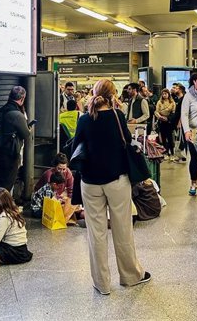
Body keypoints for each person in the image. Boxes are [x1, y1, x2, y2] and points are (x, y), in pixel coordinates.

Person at [71, 79, 150, 295]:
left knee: (96, 233)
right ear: (112, 94)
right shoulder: (118, 116)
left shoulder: (84, 119)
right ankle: (131, 277)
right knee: (122, 229)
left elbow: (75, 145)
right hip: (116, 180)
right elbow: (125, 141)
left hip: (90, 182)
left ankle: (102, 284)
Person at [0, 86, 31, 191]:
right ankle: (2, 205)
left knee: (0, 181)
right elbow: (26, 134)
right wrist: (29, 129)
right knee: (7, 184)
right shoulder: (17, 114)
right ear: (22, 98)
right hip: (10, 154)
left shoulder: (2, 110)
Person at [154, 88, 177, 160]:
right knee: (163, 138)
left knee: (170, 138)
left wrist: (168, 118)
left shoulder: (172, 102)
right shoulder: (159, 102)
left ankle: (172, 153)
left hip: (169, 122)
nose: (164, 95)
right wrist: (160, 117)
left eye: (165, 94)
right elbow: (156, 111)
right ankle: (165, 152)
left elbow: (173, 112)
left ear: (168, 94)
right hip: (161, 121)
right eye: (163, 94)